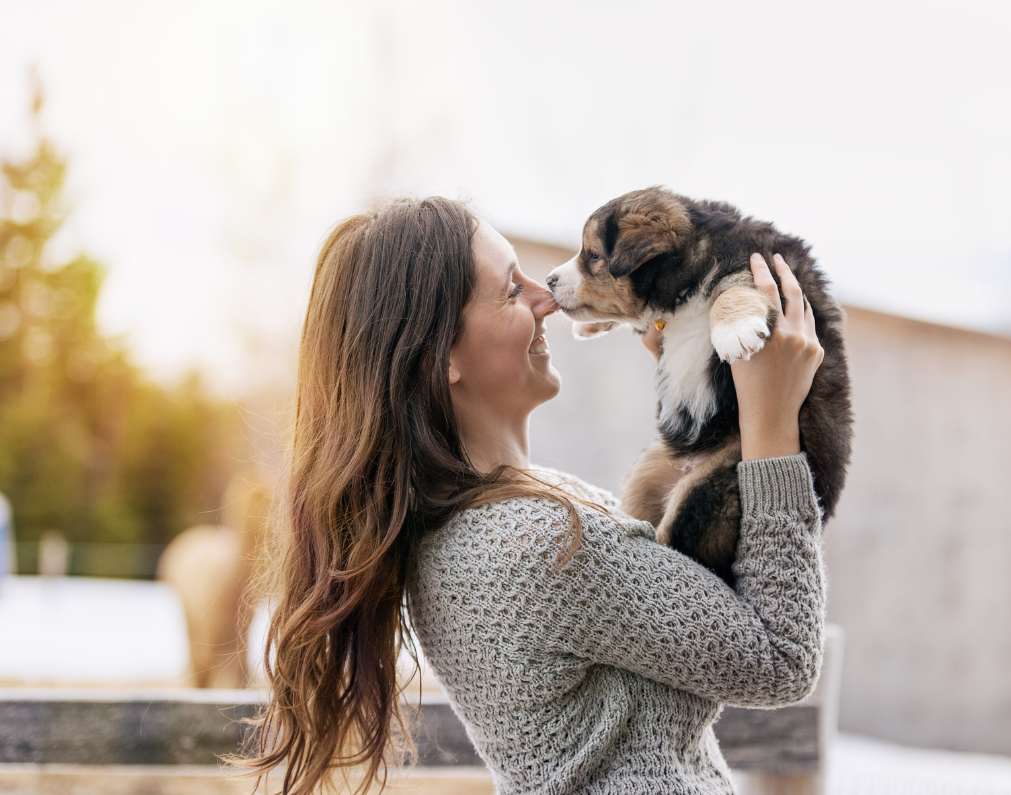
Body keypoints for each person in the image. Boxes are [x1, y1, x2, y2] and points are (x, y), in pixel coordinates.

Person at [229, 197, 827, 794]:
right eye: (510, 292)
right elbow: (782, 658)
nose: (545, 297)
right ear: (442, 358)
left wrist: (694, 363)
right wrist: (771, 428)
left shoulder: (485, 524)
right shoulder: (544, 544)